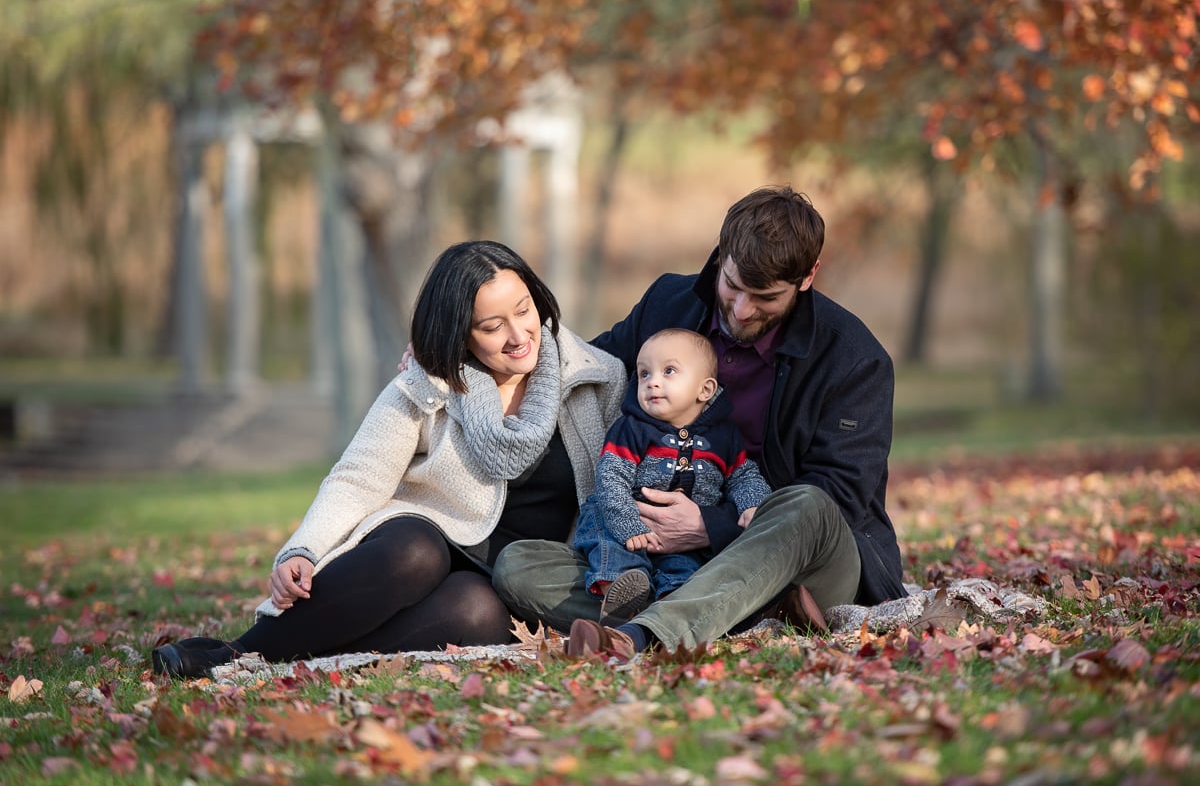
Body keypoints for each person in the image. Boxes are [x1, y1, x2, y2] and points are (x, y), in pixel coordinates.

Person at [151, 240, 626, 678]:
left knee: (474, 610)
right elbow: (359, 476)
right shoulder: (429, 381)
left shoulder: (594, 379)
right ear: (460, 334)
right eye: (490, 326)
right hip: (428, 540)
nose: (518, 334)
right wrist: (303, 548)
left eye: (523, 311)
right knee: (414, 551)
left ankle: (273, 662)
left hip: (515, 573)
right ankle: (239, 655)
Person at [492, 185, 908, 659]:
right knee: (518, 565)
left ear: (809, 276)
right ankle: (751, 615)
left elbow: (841, 500)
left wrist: (712, 526)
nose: (742, 309)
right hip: (662, 557)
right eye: (732, 285)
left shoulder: (853, 361)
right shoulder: (669, 303)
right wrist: (457, 362)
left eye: (765, 297)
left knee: (808, 504)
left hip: (805, 559)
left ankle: (640, 635)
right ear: (721, 254)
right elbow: (585, 368)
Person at [572, 328, 772, 627]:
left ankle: (673, 605)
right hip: (622, 520)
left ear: (704, 390)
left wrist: (752, 505)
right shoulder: (632, 428)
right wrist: (629, 525)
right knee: (608, 539)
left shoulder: (724, 437)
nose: (652, 382)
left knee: (686, 567)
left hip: (685, 541)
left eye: (669, 371)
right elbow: (611, 476)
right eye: (643, 374)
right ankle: (619, 591)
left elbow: (743, 477)